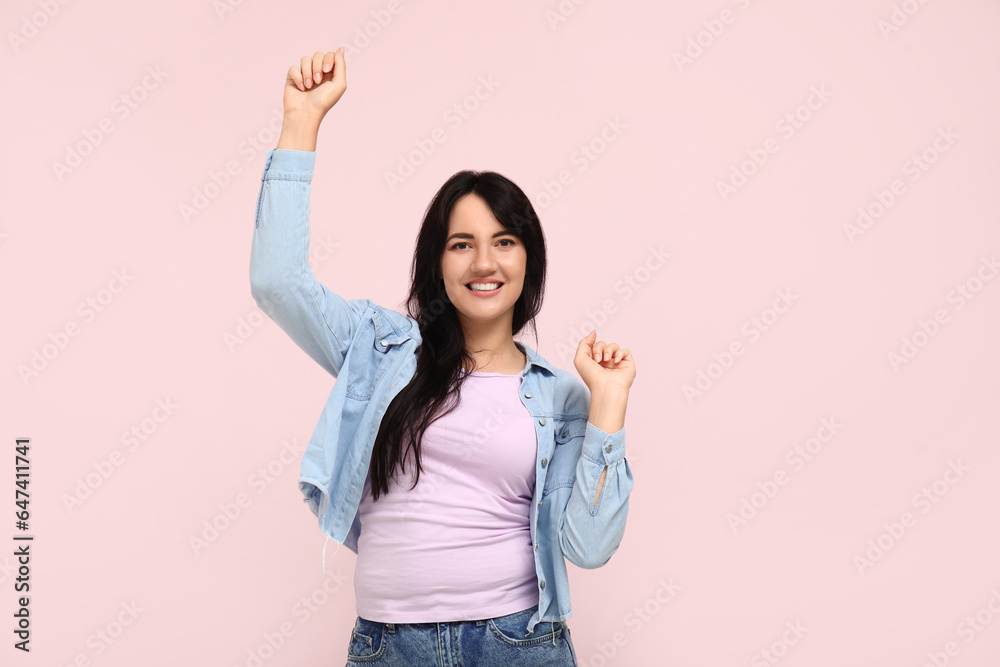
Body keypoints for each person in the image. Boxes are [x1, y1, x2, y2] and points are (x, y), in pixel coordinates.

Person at [249, 47, 637, 667]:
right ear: (437, 262)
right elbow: (276, 283)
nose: (484, 263)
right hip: (388, 646)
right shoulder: (378, 350)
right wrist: (302, 123)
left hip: (518, 642)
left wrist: (609, 407)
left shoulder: (560, 396)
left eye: (503, 242)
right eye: (462, 244)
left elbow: (587, 548)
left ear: (527, 260)